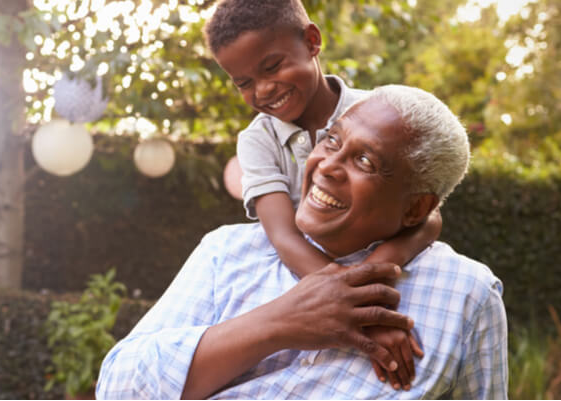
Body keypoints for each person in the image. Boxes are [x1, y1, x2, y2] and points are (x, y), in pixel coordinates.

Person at [96, 85, 508, 399]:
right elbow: (117, 388)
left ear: (417, 208)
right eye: (332, 140)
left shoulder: (468, 294)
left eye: (366, 161)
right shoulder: (228, 252)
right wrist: (279, 323)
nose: (327, 165)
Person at [205, 0, 441, 388]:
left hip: (369, 272)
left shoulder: (378, 113)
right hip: (304, 281)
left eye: (273, 66)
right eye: (244, 83)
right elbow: (282, 235)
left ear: (312, 41)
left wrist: (370, 291)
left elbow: (429, 216)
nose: (263, 90)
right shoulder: (257, 141)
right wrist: (361, 311)